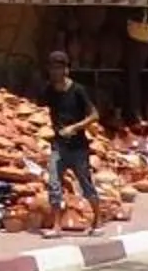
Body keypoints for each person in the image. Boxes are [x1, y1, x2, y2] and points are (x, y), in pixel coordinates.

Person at [37, 49, 102, 235]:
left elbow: (94, 115)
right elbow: (41, 109)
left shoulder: (78, 91)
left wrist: (74, 128)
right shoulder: (49, 91)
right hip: (58, 146)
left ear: (66, 70)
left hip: (78, 148)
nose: (55, 72)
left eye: (59, 68)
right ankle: (56, 226)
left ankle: (97, 221)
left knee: (85, 183)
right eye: (52, 68)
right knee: (54, 184)